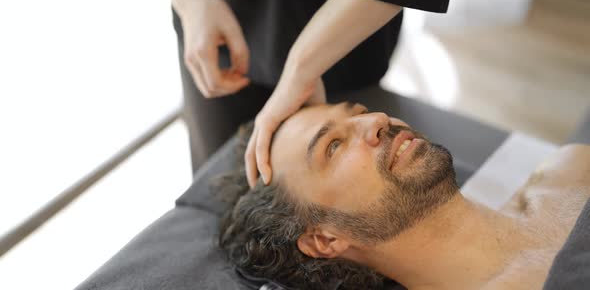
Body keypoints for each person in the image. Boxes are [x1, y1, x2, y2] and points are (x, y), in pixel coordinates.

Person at [218, 102, 590, 290]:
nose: (376, 119)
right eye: (333, 147)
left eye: (359, 112)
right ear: (324, 238)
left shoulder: (564, 172)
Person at [154, 0, 457, 183]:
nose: (378, 122)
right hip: (212, 30)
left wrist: (303, 67)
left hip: (346, 34)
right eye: (332, 146)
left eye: (334, 145)